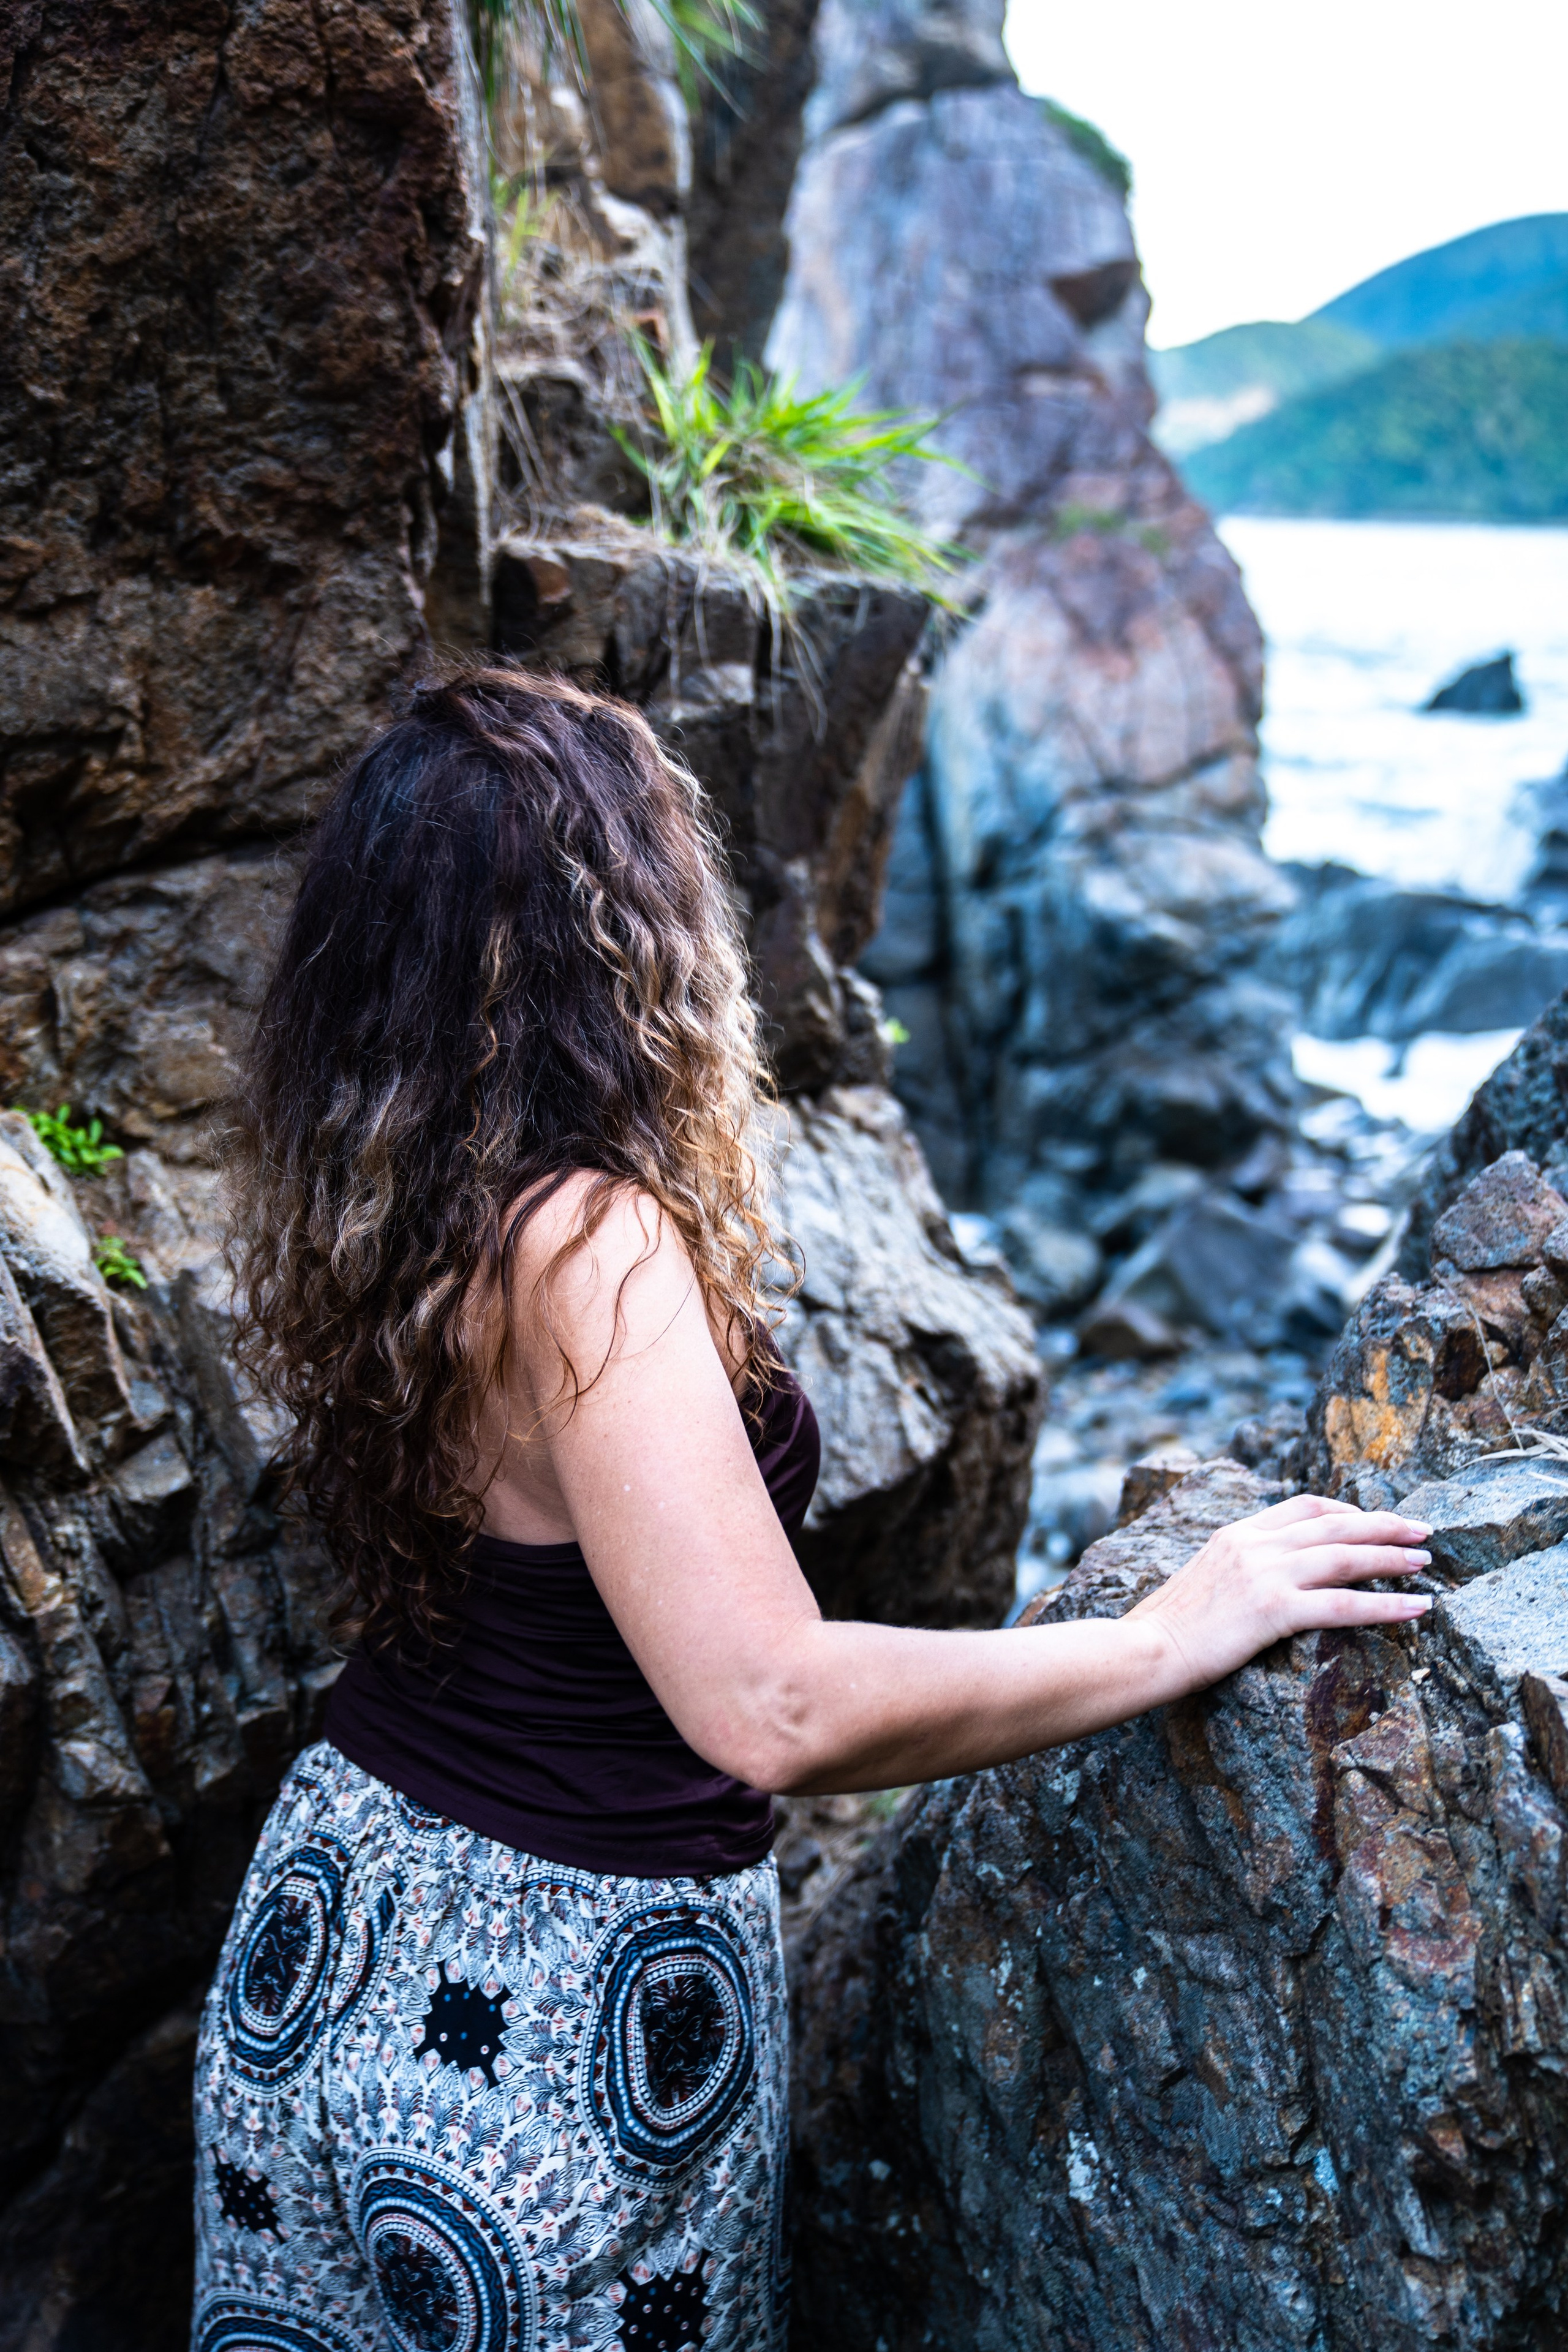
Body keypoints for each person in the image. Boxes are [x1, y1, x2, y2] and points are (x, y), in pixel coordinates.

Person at [191, 667, 1433, 2352]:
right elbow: (765, 1702)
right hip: (548, 2026)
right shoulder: (587, 1239)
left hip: (332, 1935)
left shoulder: (394, 1207)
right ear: (612, 922)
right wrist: (1165, 1632)